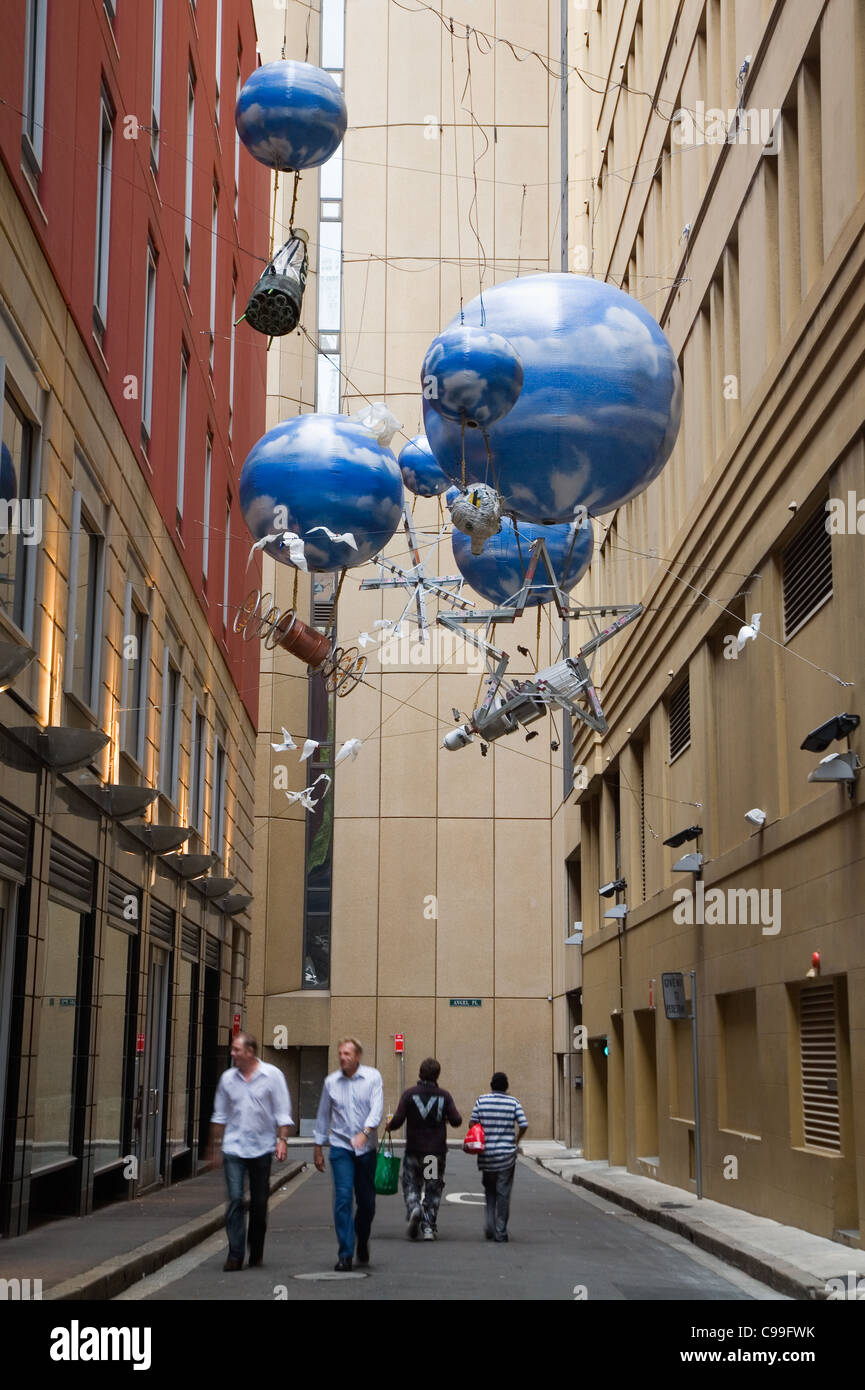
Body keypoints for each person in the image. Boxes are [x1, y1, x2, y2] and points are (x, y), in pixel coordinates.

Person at [209, 1032, 294, 1271]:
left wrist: (282, 1140)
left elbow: (282, 1111)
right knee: (235, 1198)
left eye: (236, 1049)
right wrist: (215, 1148)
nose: (232, 1053)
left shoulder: (272, 1076)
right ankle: (235, 1254)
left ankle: (255, 1248)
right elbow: (220, 1115)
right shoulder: (228, 1079)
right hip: (234, 1147)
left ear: (250, 1052)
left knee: (259, 1203)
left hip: (261, 1148)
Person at [313, 1037, 383, 1271]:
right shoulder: (331, 1082)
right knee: (343, 1197)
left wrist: (365, 1132)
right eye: (340, 1053)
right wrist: (318, 1146)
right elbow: (323, 1114)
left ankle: (362, 1239)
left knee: (367, 1203)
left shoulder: (373, 1077)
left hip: (366, 1149)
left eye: (347, 1054)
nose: (343, 1057)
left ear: (358, 1057)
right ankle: (345, 1252)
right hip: (341, 1147)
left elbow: (377, 1109)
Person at [386, 1057, 462, 1241]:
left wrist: (390, 1125)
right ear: (438, 1075)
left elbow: (397, 1120)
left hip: (414, 1150)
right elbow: (457, 1120)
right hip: (434, 1152)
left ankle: (414, 1208)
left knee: (411, 1183)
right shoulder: (444, 1096)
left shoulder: (409, 1094)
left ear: (420, 1073)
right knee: (432, 1188)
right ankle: (428, 1227)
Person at [470, 1072, 528, 1243]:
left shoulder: (482, 1100)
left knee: (489, 1191)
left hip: (486, 1155)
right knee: (503, 1193)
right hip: (506, 1156)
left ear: (491, 1085)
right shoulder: (513, 1102)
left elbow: (472, 1122)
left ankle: (489, 1225)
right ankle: (500, 1231)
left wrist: (481, 1133)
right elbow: (524, 1124)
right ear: (506, 1086)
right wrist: (516, 1141)